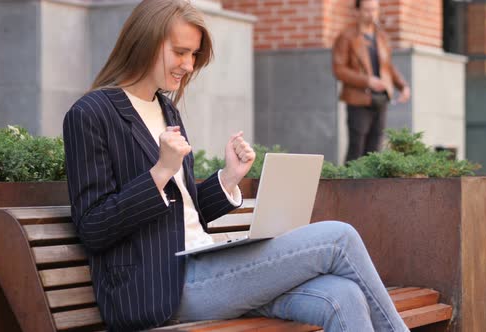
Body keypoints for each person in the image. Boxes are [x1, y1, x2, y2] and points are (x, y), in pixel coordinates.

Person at [63, 0, 409, 331]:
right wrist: (160, 171)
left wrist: (228, 179)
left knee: (341, 295)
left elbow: (183, 212)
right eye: (180, 52)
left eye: (194, 55)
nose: (188, 65)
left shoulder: (166, 110)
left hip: (207, 266)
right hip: (161, 285)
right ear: (144, 43)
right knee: (340, 238)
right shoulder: (91, 114)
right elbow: (93, 226)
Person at [333, 0, 411, 163]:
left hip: (381, 100)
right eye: (367, 9)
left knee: (375, 151)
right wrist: (367, 81)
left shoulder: (381, 37)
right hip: (358, 99)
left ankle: (370, 187)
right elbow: (338, 69)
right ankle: (349, 187)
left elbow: (387, 66)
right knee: (356, 150)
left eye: (374, 9)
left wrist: (402, 86)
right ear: (357, 11)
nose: (372, 13)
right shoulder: (346, 36)